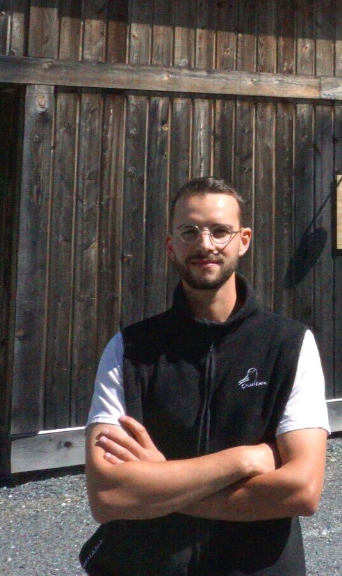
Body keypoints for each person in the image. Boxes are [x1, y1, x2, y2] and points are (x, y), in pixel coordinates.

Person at [79, 177, 329, 576]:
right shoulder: (129, 350)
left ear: (243, 240)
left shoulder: (290, 344)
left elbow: (301, 490)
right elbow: (108, 496)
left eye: (220, 231)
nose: (205, 244)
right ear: (170, 245)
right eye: (189, 231)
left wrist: (157, 485)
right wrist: (244, 459)